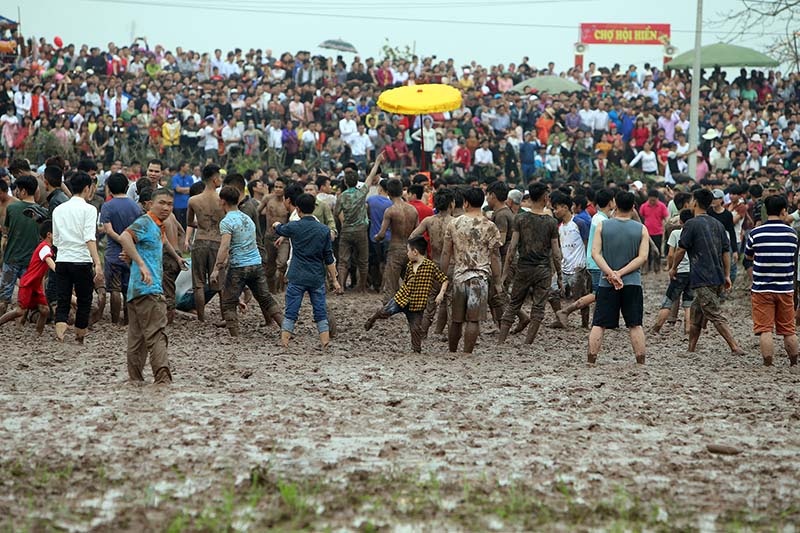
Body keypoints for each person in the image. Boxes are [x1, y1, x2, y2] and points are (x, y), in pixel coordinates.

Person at [670, 188, 745, 356]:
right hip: (717, 276)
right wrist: (726, 275)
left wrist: (673, 268)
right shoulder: (717, 224)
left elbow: (681, 250)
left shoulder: (691, 224)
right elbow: (726, 252)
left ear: (695, 203)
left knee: (714, 313)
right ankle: (691, 349)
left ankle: (734, 346)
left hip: (702, 277)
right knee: (697, 313)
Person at [118, 188, 176, 385]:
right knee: (157, 335)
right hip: (149, 291)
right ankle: (163, 379)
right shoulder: (145, 222)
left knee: (137, 340)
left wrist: (133, 260)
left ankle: (135, 380)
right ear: (150, 204)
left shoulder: (158, 228)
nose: (166, 208)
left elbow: (132, 246)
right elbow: (125, 237)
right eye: (162, 203)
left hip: (136, 291)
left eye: (169, 204)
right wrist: (141, 263)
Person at [211, 186, 282, 337]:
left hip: (239, 266)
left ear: (222, 201)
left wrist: (217, 268)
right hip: (255, 264)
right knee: (266, 298)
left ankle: (235, 336)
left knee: (228, 302)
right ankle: (286, 328)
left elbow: (225, 246)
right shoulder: (247, 218)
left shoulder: (227, 221)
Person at [274, 193, 342, 349]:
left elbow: (280, 229)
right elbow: (329, 257)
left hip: (297, 275)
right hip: (316, 276)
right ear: (314, 208)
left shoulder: (294, 226)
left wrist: (275, 225)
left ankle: (284, 342)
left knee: (292, 309)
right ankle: (325, 342)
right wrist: (335, 280)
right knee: (319, 310)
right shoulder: (324, 230)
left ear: (297, 209)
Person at [588, 190, 649, 364]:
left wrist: (611, 273)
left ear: (615, 204)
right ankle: (640, 361)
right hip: (632, 283)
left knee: (599, 323)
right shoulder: (641, 229)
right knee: (635, 324)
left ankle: (591, 359)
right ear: (633, 207)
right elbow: (642, 258)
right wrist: (621, 274)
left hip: (606, 283)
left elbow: (595, 253)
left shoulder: (603, 226)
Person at [498, 182, 560, 344]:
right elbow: (556, 252)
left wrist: (505, 272)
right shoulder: (551, 222)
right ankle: (528, 343)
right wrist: (559, 274)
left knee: (514, 304)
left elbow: (512, 248)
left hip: (523, 267)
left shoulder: (520, 218)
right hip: (543, 269)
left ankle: (501, 341)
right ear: (545, 197)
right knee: (538, 307)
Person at [442, 186, 502, 353]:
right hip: (480, 279)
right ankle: (467, 353)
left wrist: (441, 277)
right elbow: (495, 257)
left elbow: (446, 253)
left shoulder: (454, 224)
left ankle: (452, 352)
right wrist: (498, 282)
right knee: (473, 321)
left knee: (456, 319)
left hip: (459, 277)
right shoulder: (490, 226)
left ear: (466, 203)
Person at [364, 236, 448, 353]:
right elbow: (406, 280)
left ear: (415, 252)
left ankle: (416, 350)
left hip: (417, 304)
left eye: (408, 251)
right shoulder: (409, 265)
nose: (407, 253)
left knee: (415, 329)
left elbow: (444, 279)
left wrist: (441, 294)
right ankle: (372, 319)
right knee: (384, 312)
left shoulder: (431, 266)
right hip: (401, 298)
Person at [744, 195, 798, 366]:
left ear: (766, 211)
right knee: (789, 330)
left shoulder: (755, 233)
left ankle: (768, 363)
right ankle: (794, 362)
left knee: (765, 329)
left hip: (762, 288)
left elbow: (748, 256)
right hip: (785, 288)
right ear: (784, 211)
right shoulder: (792, 234)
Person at [52, 172, 104, 343]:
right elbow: (89, 237)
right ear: (87, 188)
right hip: (81, 260)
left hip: (62, 259)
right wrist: (97, 263)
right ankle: (80, 335)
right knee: (84, 299)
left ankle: (60, 333)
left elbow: (56, 238)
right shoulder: (90, 209)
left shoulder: (59, 210)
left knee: (63, 298)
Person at [556, 188, 615, 327]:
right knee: (597, 294)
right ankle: (567, 311)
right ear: (610, 202)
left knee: (601, 293)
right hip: (598, 262)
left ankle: (600, 321)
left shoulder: (597, 217)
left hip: (595, 261)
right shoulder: (601, 220)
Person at [99, 172, 143, 324]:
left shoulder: (107, 206)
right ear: (126, 187)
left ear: (109, 188)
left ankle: (115, 320)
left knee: (115, 289)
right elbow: (138, 231)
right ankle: (128, 320)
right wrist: (128, 243)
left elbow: (108, 230)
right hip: (132, 253)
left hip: (113, 253)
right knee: (128, 288)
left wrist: (121, 241)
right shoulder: (136, 207)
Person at [335, 154, 383, 292]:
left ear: (345, 182)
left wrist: (344, 222)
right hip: (361, 230)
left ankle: (341, 287)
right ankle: (362, 288)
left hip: (346, 231)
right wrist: (377, 161)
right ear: (357, 182)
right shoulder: (362, 192)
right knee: (363, 260)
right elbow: (370, 177)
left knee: (343, 260)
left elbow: (336, 212)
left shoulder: (341, 196)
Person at [410, 188, 455, 336]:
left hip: (433, 264)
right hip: (451, 265)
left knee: (430, 303)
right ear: (451, 204)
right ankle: (452, 335)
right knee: (450, 302)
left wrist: (420, 253)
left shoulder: (429, 221)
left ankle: (422, 333)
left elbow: (412, 237)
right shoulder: (455, 222)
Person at [0, 220, 55, 334]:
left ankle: (38, 334)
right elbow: (49, 261)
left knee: (45, 310)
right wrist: (59, 271)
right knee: (20, 311)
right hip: (28, 282)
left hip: (35, 284)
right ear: (49, 234)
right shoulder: (44, 247)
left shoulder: (47, 247)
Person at [186, 164, 224, 321]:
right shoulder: (222, 201)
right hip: (217, 241)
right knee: (220, 283)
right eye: (220, 177)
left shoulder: (194, 200)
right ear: (215, 180)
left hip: (200, 240)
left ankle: (201, 318)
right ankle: (225, 316)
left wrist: (202, 225)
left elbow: (189, 222)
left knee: (198, 282)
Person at [0, 175, 39, 315]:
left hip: (11, 257)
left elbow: (7, 230)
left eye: (17, 189)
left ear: (22, 191)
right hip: (31, 260)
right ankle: (26, 319)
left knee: (4, 297)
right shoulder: (42, 212)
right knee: (30, 293)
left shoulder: (12, 209)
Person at [550, 192, 591, 329]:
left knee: (580, 296)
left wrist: (586, 265)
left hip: (578, 267)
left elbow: (587, 244)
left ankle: (584, 324)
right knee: (552, 292)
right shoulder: (560, 227)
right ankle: (560, 317)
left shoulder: (579, 223)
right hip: (564, 266)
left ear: (565, 207)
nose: (555, 211)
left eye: (556, 208)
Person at [651, 209, 694, 335]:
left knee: (668, 300)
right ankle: (688, 329)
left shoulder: (676, 233)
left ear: (680, 221)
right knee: (688, 303)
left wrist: (671, 267)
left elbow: (670, 254)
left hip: (679, 271)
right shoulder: (695, 233)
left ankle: (657, 327)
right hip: (692, 271)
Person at [374, 178, 418, 300]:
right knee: (410, 281)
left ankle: (388, 309)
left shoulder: (390, 211)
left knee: (391, 284)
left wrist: (376, 238)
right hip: (410, 249)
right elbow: (417, 232)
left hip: (395, 248)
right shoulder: (413, 210)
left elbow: (382, 234)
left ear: (388, 193)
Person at [366, 179, 392, 291]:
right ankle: (383, 286)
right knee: (386, 263)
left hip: (373, 237)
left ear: (380, 188)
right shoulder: (391, 204)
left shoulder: (371, 200)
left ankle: (375, 284)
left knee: (374, 262)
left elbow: (367, 215)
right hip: (388, 237)